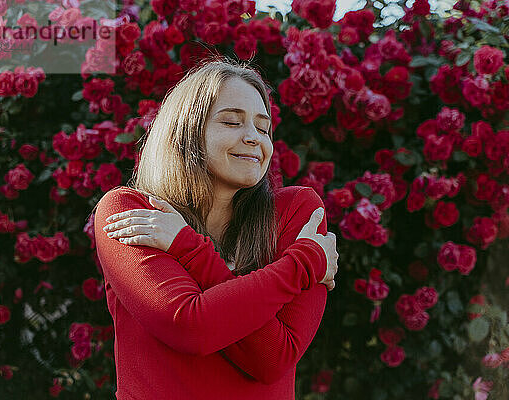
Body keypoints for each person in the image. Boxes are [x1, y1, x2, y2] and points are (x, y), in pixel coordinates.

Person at [93, 59, 339, 400]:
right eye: (232, 121)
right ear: (185, 131)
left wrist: (188, 250)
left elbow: (273, 359)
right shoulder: (130, 212)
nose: (253, 138)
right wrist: (304, 264)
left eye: (263, 127)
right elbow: (191, 327)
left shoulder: (296, 211)